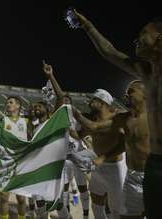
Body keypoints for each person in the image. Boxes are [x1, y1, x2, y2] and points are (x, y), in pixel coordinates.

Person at [73, 11, 162, 218]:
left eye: (143, 33)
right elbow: (109, 52)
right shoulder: (147, 73)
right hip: (153, 165)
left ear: (159, 39)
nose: (137, 39)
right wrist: (88, 27)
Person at [74, 80, 149, 218]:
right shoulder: (123, 118)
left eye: (131, 91)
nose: (127, 94)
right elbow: (94, 127)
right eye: (126, 92)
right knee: (126, 215)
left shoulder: (155, 118)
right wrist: (74, 113)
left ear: (145, 94)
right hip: (132, 176)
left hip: (151, 175)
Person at [43, 61, 90, 219]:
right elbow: (60, 96)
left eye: (68, 101)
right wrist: (51, 75)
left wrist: (82, 141)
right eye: (64, 101)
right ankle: (67, 214)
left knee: (83, 188)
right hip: (63, 157)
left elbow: (82, 134)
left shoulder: (76, 115)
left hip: (77, 154)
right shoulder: (57, 115)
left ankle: (85, 215)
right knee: (64, 189)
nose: (65, 102)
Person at [72, 89, 127, 219]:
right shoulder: (94, 118)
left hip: (116, 170)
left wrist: (77, 114)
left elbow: (123, 144)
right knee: (96, 207)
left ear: (102, 102)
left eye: (93, 100)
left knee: (116, 212)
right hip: (99, 168)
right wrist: (66, 128)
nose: (89, 102)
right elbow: (79, 135)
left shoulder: (117, 117)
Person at [0, 96, 31, 219]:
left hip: (21, 163)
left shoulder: (26, 122)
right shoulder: (2, 121)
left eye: (10, 102)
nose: (8, 104)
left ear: (18, 106)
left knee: (21, 197)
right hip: (6, 162)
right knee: (3, 196)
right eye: (7, 102)